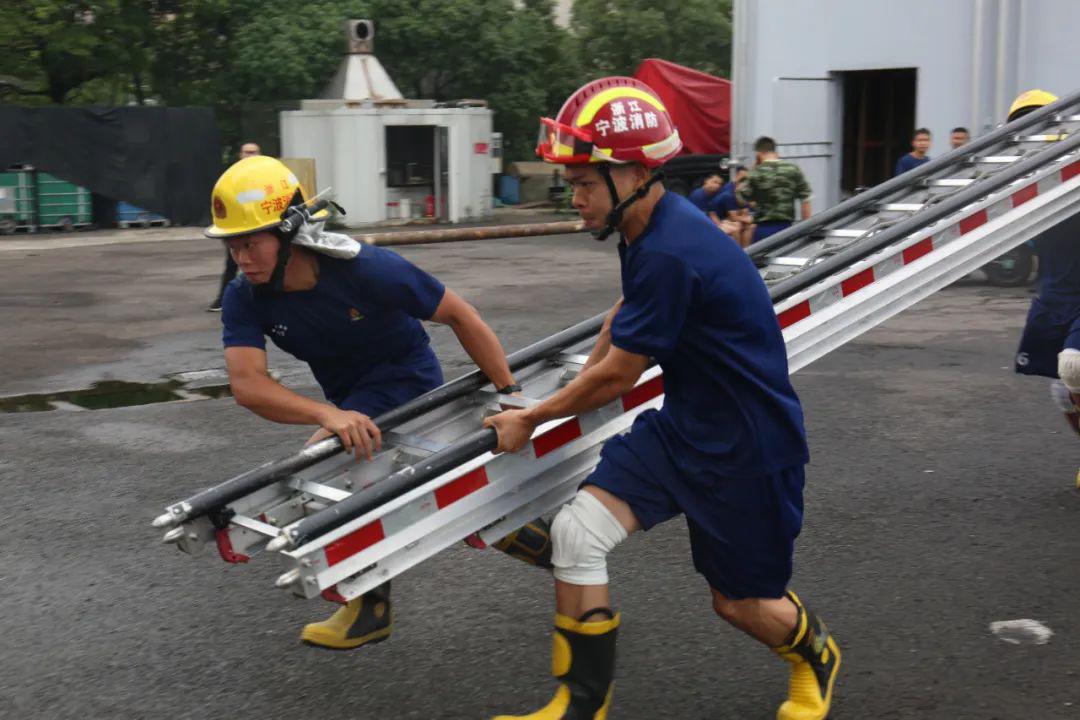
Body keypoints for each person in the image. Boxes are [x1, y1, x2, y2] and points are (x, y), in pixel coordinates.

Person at [486, 77, 839, 720]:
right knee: (576, 534)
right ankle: (580, 705)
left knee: (739, 603)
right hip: (684, 431)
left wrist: (533, 415)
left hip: (749, 450)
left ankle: (814, 655)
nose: (577, 198)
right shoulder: (650, 229)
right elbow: (624, 317)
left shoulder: (673, 248)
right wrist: (572, 383)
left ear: (634, 174)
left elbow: (621, 375)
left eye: (586, 183)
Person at [207, 155, 553, 651]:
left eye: (251, 242)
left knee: (324, 472)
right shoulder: (246, 296)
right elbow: (248, 384)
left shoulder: (363, 267)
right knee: (449, 498)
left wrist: (508, 394)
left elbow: (460, 315)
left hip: (408, 381)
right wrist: (327, 413)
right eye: (232, 245)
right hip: (349, 399)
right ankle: (526, 537)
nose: (241, 257)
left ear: (289, 233)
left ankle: (370, 608)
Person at [1008, 90, 1080, 464]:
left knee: (1075, 365)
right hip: (1054, 297)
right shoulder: (1024, 186)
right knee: (1060, 391)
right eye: (1024, 125)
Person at [208, 143, 264, 311]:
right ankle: (223, 299)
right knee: (233, 263)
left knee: (263, 262)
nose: (250, 155)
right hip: (237, 227)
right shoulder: (232, 176)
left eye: (254, 152)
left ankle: (261, 298)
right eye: (247, 152)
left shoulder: (264, 176)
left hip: (259, 226)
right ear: (240, 155)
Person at [737, 137, 812, 244]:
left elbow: (741, 199)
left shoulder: (756, 172)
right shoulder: (793, 169)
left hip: (762, 229)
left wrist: (750, 171)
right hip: (786, 228)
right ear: (775, 150)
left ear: (758, 154)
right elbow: (805, 199)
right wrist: (806, 228)